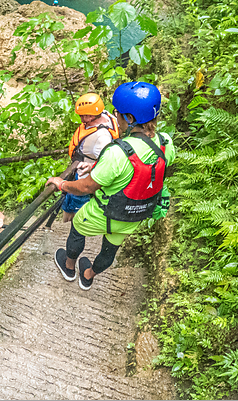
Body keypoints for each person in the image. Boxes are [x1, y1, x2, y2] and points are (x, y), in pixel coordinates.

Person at [48, 82, 174, 291]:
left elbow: (87, 187)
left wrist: (62, 184)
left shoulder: (118, 152)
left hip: (103, 212)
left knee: (77, 228)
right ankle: (88, 276)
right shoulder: (166, 143)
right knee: (110, 250)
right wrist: (98, 166)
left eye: (118, 113)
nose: (115, 117)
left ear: (130, 119)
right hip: (133, 215)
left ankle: (69, 268)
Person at [61, 93, 120, 224]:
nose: (82, 119)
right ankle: (61, 224)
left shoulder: (102, 137)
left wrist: (91, 170)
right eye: (81, 115)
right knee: (68, 202)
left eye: (85, 115)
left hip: (84, 175)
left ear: (93, 114)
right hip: (78, 169)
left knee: (78, 207)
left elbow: (105, 160)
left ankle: (76, 227)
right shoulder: (106, 115)